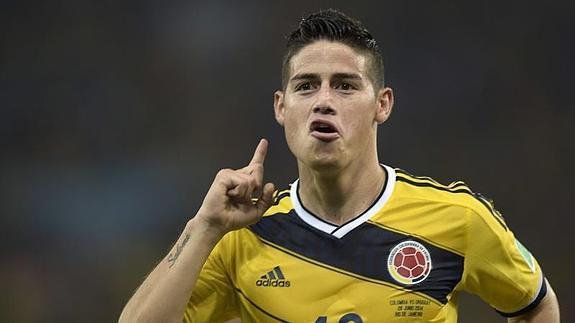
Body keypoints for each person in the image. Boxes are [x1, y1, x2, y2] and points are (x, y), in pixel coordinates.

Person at [119, 9, 560, 323]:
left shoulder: (458, 220)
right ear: (281, 107)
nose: (324, 101)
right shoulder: (241, 236)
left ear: (382, 105)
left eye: (345, 86)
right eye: (306, 86)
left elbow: (536, 305)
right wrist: (204, 227)